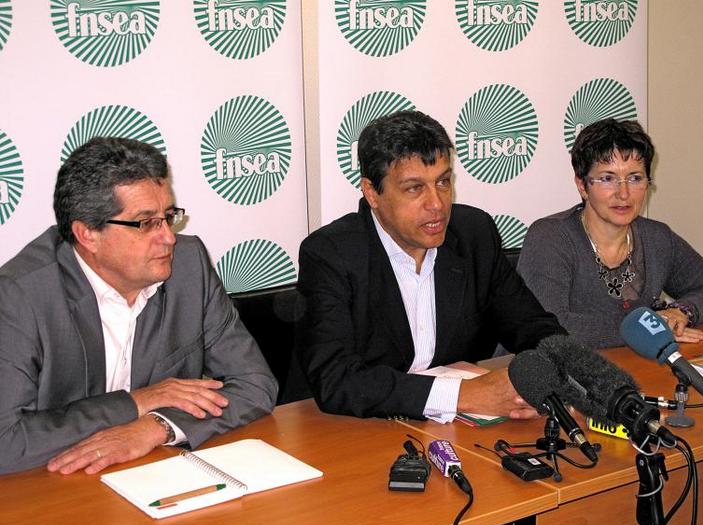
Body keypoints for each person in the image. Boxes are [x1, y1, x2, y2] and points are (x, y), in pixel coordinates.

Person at [0, 137, 278, 475]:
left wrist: (156, 426)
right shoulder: (20, 297)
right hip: (54, 489)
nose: (169, 238)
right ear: (88, 234)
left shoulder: (189, 265)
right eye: (146, 223)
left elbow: (255, 384)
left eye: (169, 216)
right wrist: (139, 402)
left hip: (156, 474)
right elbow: (6, 442)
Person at [291, 110, 566, 420]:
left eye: (443, 182)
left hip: (455, 432)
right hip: (352, 430)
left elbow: (532, 326)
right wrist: (463, 396)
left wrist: (555, 375)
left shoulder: (473, 234)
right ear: (372, 192)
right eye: (414, 188)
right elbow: (337, 381)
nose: (437, 204)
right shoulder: (331, 254)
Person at [517, 118, 703, 349]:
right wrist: (645, 327)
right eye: (608, 178)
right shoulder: (550, 237)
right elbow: (550, 327)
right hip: (548, 374)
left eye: (635, 178)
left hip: (630, 367)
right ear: (582, 185)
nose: (624, 193)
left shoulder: (657, 237)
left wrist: (681, 312)